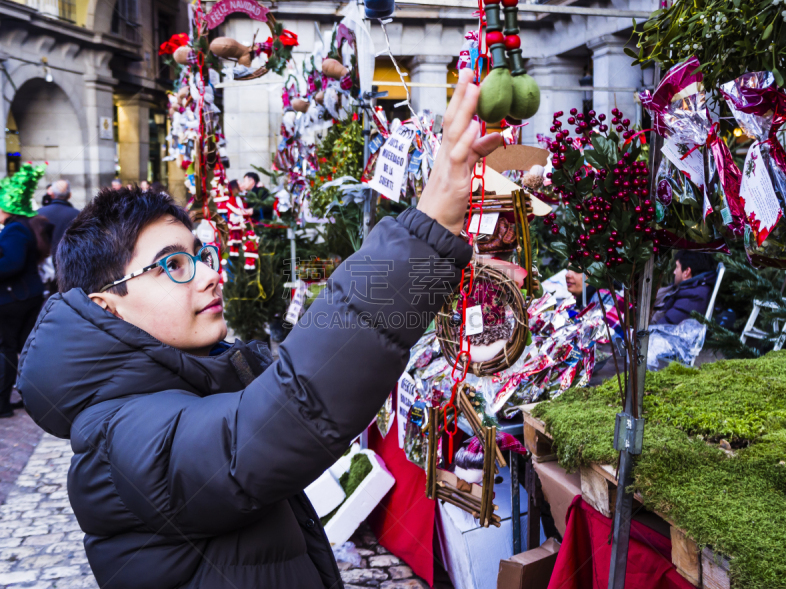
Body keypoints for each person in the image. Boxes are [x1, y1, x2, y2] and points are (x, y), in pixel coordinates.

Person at [16, 68, 502, 588]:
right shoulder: (123, 439)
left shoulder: (172, 388)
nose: (208, 274)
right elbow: (290, 409)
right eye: (173, 265)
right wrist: (429, 227)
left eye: (199, 255)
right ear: (107, 306)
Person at [0, 183, 50, 417]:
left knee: (8, 349)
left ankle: (4, 404)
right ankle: (31, 396)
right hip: (24, 295)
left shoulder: (14, 229)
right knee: (22, 348)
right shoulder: (19, 227)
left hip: (15, 297)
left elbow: (12, 263)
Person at [651, 251, 716, 325]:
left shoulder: (693, 295)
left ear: (687, 272)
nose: (674, 272)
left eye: (677, 267)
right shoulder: (692, 290)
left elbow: (664, 325)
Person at [37, 179, 80, 260]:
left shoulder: (38, 214)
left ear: (51, 194)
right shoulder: (78, 215)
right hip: (69, 262)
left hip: (44, 263)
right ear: (69, 195)